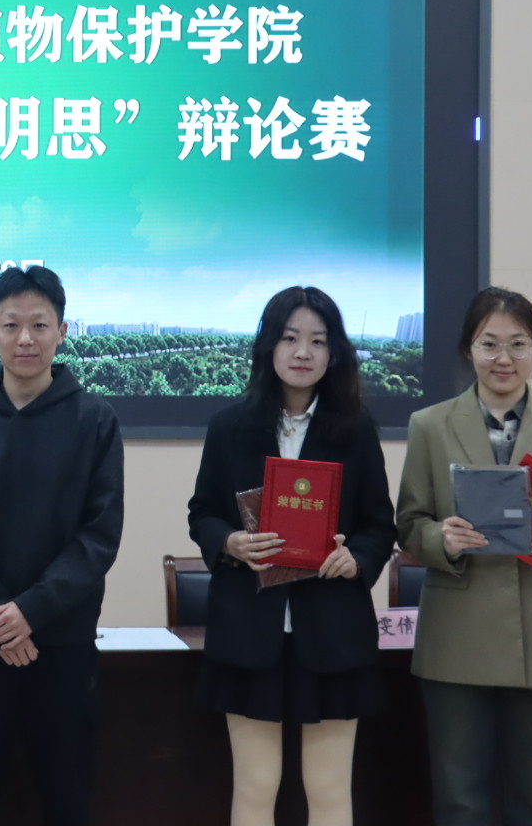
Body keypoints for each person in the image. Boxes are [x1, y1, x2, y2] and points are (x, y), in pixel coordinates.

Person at [396, 287, 532, 826]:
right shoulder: (429, 425)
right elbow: (410, 523)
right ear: (469, 350)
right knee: (459, 802)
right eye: (489, 344)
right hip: (456, 635)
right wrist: (441, 539)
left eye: (518, 344)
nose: (503, 358)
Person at [188, 286, 396, 826]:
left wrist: (358, 558)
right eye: (290, 338)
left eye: (318, 341)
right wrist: (230, 543)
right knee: (256, 786)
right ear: (269, 346)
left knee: (327, 789)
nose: (303, 352)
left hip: (332, 634)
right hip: (249, 631)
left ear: (334, 353)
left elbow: (379, 524)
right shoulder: (229, 426)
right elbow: (203, 513)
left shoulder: (355, 430)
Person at [0, 265, 124, 826]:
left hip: (62, 644)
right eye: (11, 325)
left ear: (62, 331)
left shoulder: (95, 420)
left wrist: (31, 612)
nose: (25, 339)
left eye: (40, 324)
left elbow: (99, 535)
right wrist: (1, 618)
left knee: (67, 798)